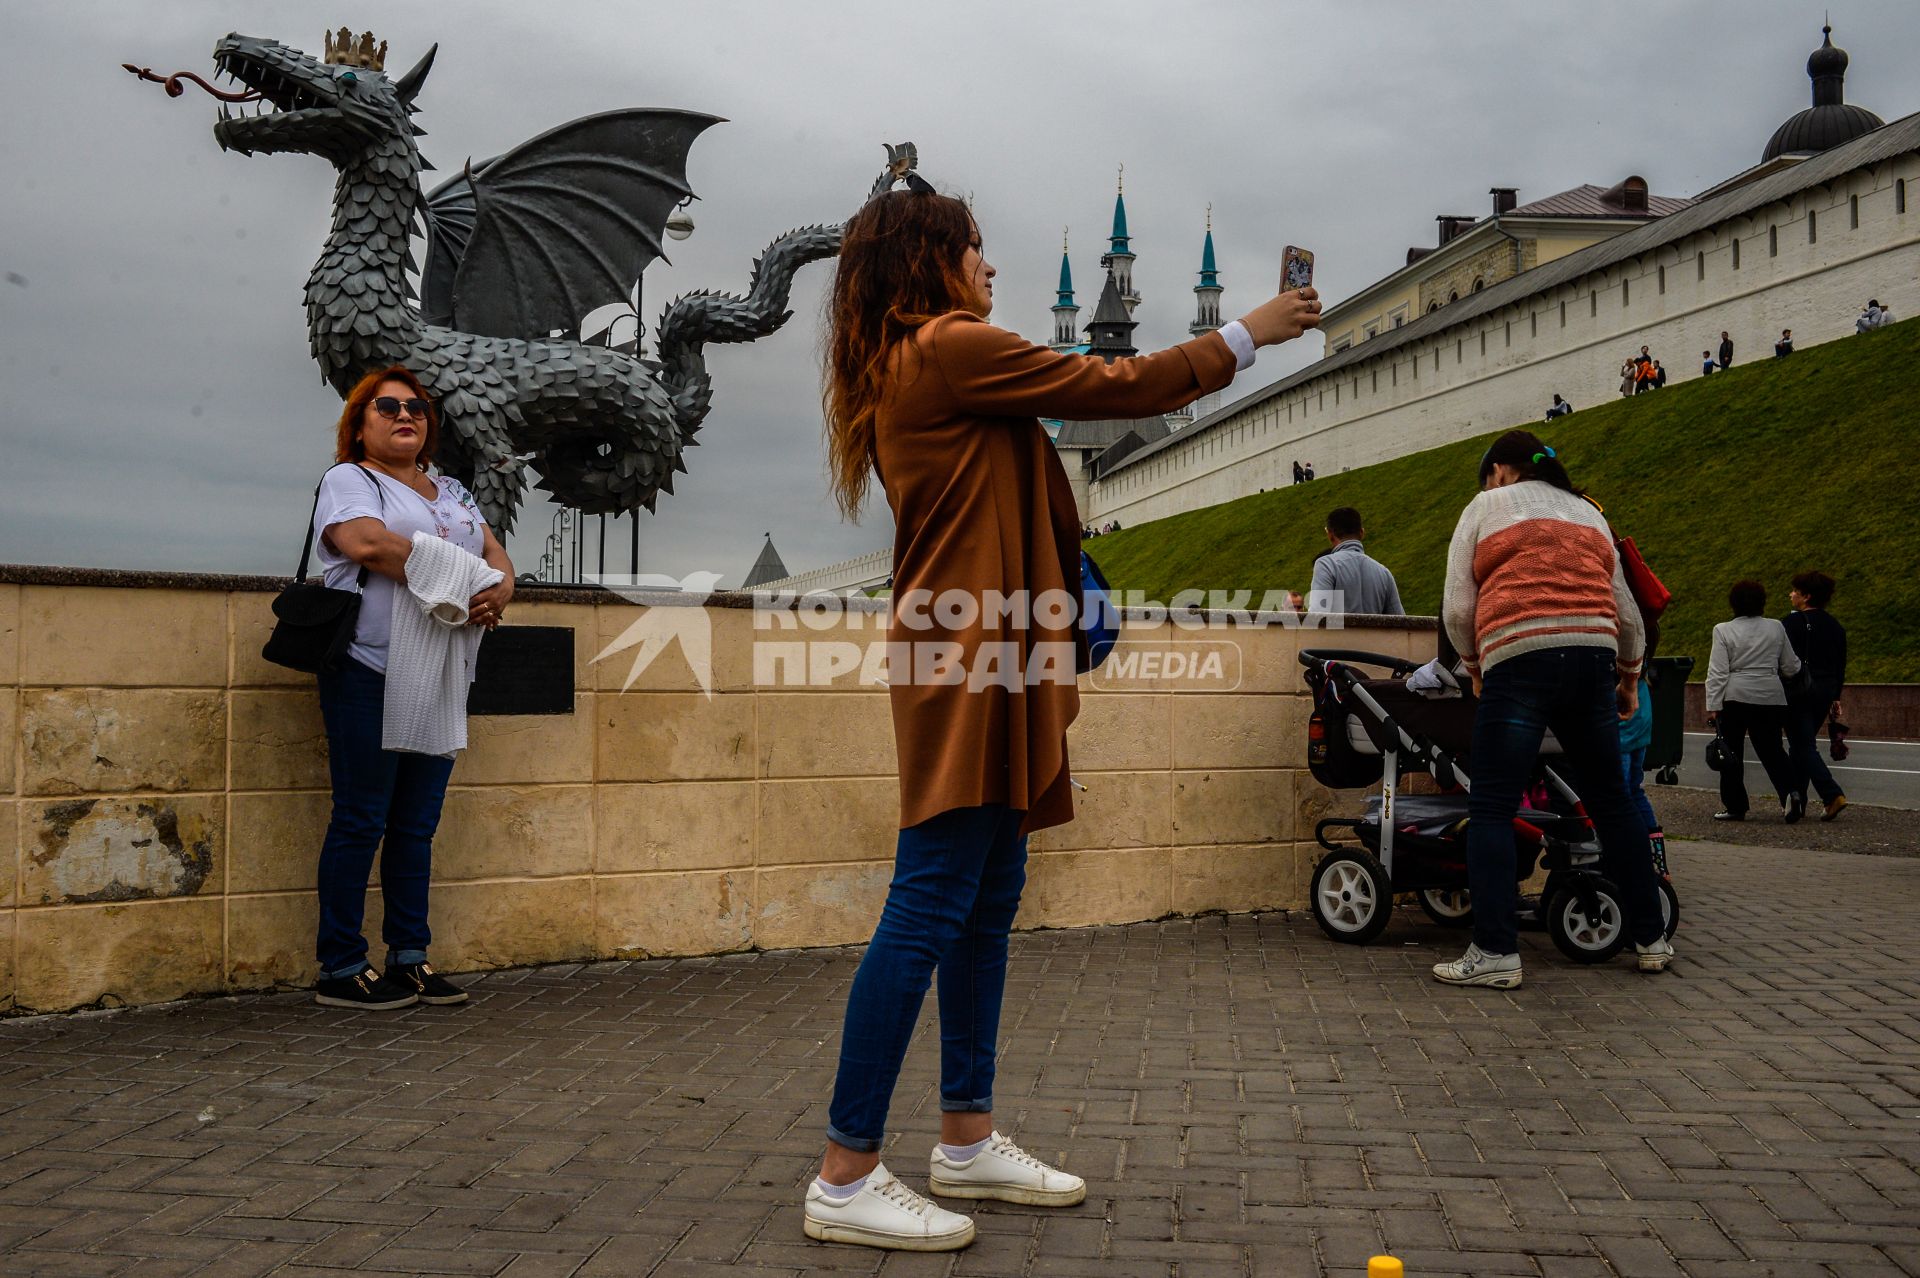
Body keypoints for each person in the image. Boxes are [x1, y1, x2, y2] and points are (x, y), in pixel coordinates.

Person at [812, 178, 1322, 1251]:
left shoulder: (930, 358)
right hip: (962, 658)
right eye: (976, 248)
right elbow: (1115, 381)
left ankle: (965, 1136)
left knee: (988, 896)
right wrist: (1248, 332)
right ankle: (847, 1172)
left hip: (990, 652)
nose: (989, 267)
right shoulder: (944, 344)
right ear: (930, 261)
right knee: (928, 901)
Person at [309, 366, 514, 1010]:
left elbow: (499, 560)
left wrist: (496, 589)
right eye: (388, 405)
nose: (406, 415)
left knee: (416, 825)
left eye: (418, 407)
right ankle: (340, 966)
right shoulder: (350, 480)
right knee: (360, 819)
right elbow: (366, 543)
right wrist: (466, 582)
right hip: (368, 670)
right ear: (360, 421)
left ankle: (410, 957)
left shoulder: (451, 489)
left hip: (439, 674)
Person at [1438, 430, 1671, 988]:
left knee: (1492, 806)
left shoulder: (1486, 506)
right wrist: (1631, 678)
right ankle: (1650, 936)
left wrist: (1473, 666)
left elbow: (1457, 606)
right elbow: (1629, 613)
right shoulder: (1589, 514)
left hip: (1519, 657)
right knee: (1611, 801)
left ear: (1499, 470)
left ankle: (1496, 951)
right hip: (1592, 657)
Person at [1705, 580, 1802, 821]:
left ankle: (1736, 806)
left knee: (1732, 752)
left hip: (1736, 696)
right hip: (1770, 695)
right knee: (1772, 750)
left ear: (1733, 603)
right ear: (1762, 602)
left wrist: (1713, 705)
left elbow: (1718, 672)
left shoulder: (1723, 630)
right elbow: (1790, 667)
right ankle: (1791, 792)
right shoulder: (1776, 627)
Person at [1783, 571, 1849, 821]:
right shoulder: (1835, 626)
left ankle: (1832, 794)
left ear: (1806, 596)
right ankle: (1798, 801)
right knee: (1802, 745)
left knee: (1802, 745)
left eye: (1795, 591)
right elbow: (1839, 665)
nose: (1791, 595)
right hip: (1826, 690)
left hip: (1799, 690)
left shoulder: (1790, 623)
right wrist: (1836, 697)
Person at [1308, 507, 1403, 617]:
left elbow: (1317, 616)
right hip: (1374, 634)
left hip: (1339, 634)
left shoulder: (1326, 565)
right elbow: (1400, 622)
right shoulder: (1384, 572)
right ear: (1362, 533)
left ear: (1330, 535)